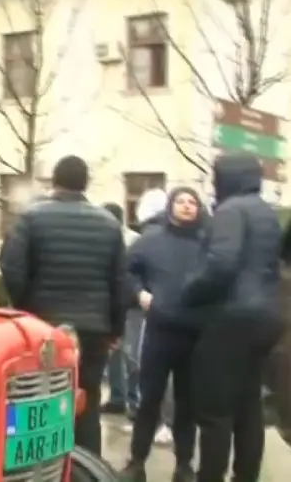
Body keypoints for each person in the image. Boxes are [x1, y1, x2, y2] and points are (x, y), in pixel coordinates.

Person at [0, 155, 127, 456]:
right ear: (86, 184)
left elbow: (11, 267)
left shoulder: (32, 218)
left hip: (43, 326)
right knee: (88, 398)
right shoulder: (109, 225)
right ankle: (87, 465)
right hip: (94, 328)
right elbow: (121, 283)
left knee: (35, 397)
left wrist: (24, 309)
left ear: (54, 181)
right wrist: (115, 329)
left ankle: (37, 465)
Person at [181, 152, 284, 482]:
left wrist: (191, 291)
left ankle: (210, 476)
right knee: (248, 406)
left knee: (215, 411)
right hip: (267, 317)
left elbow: (221, 265)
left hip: (233, 316)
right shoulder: (266, 212)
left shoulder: (230, 210)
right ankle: (246, 476)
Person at [120, 187, 210, 482]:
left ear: (198, 208)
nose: (186, 206)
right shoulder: (151, 240)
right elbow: (125, 271)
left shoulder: (209, 242)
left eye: (192, 202)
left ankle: (184, 465)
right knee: (149, 399)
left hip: (195, 334)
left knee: (188, 403)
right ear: (171, 207)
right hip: (159, 330)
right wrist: (139, 294)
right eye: (181, 201)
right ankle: (136, 462)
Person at [102, 202, 141, 417]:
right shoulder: (118, 238)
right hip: (115, 303)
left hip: (130, 305)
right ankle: (118, 398)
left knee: (131, 354)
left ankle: (133, 401)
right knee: (115, 353)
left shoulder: (132, 241)